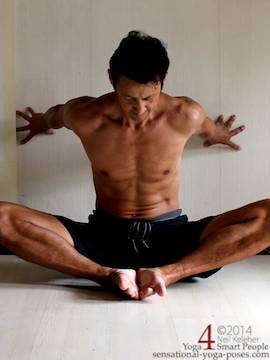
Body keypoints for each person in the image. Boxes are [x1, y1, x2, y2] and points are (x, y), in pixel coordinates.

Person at [1, 31, 269, 300]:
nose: (139, 108)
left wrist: (220, 135)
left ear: (162, 81)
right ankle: (107, 274)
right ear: (111, 79)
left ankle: (168, 273)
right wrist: (38, 122)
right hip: (103, 237)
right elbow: (55, 116)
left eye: (148, 98)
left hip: (172, 237)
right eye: (129, 97)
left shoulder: (186, 114)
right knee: (2, 216)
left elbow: (209, 130)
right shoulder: (85, 115)